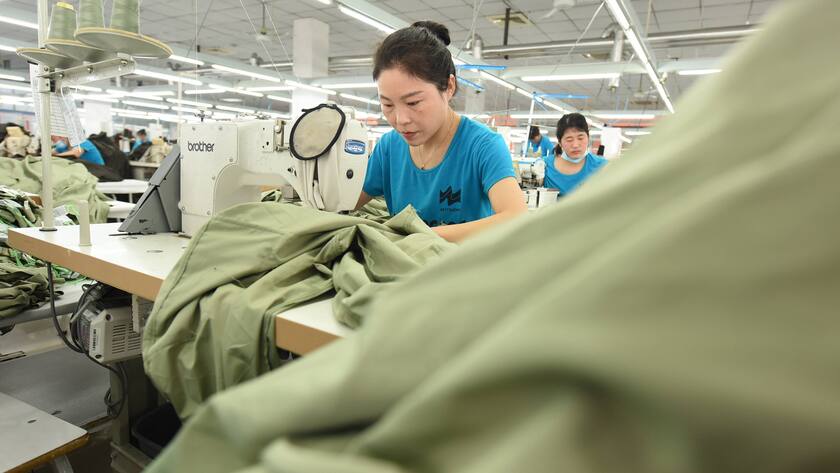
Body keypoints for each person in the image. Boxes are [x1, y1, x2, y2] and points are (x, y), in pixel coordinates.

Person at [356, 21, 527, 242]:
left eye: (414, 102)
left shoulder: (483, 146)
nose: (401, 120)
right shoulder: (388, 148)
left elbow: (517, 217)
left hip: (462, 268)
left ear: (449, 87)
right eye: (387, 105)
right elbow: (339, 204)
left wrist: (418, 238)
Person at [543, 113, 607, 196]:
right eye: (569, 140)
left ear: (588, 138)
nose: (575, 145)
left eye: (580, 138)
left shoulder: (602, 166)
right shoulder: (544, 166)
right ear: (560, 142)